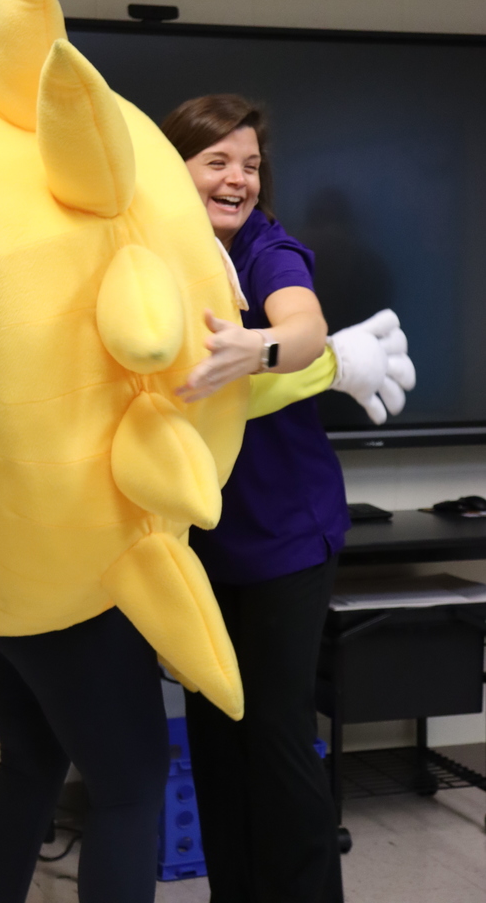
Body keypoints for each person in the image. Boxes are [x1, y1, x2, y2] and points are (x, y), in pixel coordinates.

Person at [161, 93, 354, 903]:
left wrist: (261, 345)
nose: (238, 178)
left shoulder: (269, 249)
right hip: (203, 538)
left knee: (275, 735)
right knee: (213, 736)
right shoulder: (156, 252)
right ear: (175, 171)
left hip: (284, 536)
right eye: (218, 162)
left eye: (249, 164)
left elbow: (305, 326)